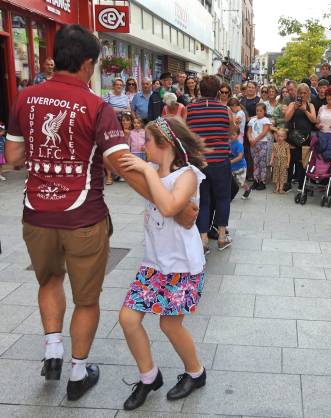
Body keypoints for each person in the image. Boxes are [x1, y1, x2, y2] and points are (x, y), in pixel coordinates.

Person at [4, 24, 196, 401]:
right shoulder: (96, 106)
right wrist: (171, 206)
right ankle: (77, 373)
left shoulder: (25, 98)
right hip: (83, 218)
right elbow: (124, 165)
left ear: (55, 56)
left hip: (36, 214)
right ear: (88, 63)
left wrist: (46, 155)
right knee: (87, 300)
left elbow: (12, 158)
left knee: (48, 282)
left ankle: (53, 348)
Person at [117, 116, 207, 410]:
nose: (142, 145)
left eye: (147, 140)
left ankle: (196, 372)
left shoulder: (189, 175)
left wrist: (146, 169)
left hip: (182, 265)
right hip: (153, 263)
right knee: (128, 319)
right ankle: (148, 376)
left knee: (169, 324)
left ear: (165, 144)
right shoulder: (153, 171)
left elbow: (169, 207)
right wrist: (146, 169)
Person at [187, 75, 233, 252]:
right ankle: (221, 237)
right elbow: (229, 132)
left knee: (203, 201)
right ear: (216, 91)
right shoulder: (224, 110)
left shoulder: (190, 109)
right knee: (222, 198)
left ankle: (203, 240)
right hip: (221, 160)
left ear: (200, 90)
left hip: (199, 161)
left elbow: (187, 133)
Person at [284, 82, 317, 191]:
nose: (302, 95)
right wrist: (295, 108)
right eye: (300, 93)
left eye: (305, 93)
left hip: (305, 138)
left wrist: (305, 110)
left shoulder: (310, 105)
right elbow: (287, 118)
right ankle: (288, 183)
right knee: (291, 160)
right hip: (292, 137)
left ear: (308, 94)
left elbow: (314, 120)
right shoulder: (292, 104)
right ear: (297, 93)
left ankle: (301, 184)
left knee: (302, 161)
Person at [247, 103, 272, 190]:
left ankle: (262, 181)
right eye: (257, 110)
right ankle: (256, 180)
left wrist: (255, 140)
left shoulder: (266, 120)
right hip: (253, 144)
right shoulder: (252, 120)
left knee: (262, 163)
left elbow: (264, 132)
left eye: (261, 111)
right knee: (255, 162)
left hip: (262, 143)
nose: (258, 112)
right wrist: (250, 139)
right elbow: (249, 131)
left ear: (264, 111)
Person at [230, 126, 250, 200]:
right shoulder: (228, 143)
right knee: (230, 181)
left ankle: (247, 189)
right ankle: (230, 193)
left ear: (238, 135)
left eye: (233, 134)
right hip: (231, 167)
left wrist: (230, 161)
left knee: (241, 182)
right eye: (230, 134)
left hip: (240, 167)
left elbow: (240, 157)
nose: (231, 136)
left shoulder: (239, 145)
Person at [270, 128, 291, 194]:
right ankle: (277, 187)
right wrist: (271, 160)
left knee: (282, 175)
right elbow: (273, 153)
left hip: (283, 162)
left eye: (281, 136)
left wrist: (288, 162)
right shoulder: (274, 144)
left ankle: (281, 188)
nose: (279, 138)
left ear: (285, 137)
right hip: (276, 162)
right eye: (278, 136)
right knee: (276, 175)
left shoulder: (286, 145)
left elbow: (288, 154)